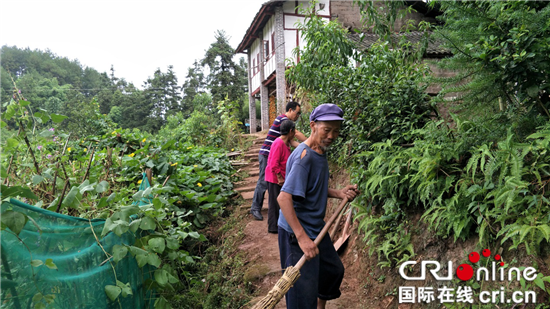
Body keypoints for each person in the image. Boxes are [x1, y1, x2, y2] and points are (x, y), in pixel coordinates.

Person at [277, 103, 359, 309]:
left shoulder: (320, 151)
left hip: (315, 227)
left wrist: (338, 193)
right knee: (301, 295)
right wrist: (302, 238)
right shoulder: (304, 158)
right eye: (327, 130)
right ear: (313, 126)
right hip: (296, 232)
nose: (331, 136)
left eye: (336, 131)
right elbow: (283, 198)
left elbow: (311, 188)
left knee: (332, 270)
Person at [250, 101, 307, 221]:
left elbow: (292, 142)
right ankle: (255, 208)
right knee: (263, 181)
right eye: (297, 113)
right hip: (267, 154)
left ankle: (274, 211)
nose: (298, 116)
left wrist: (307, 148)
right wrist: (310, 142)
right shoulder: (283, 120)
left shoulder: (286, 126)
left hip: (272, 154)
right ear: (290, 110)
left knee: (269, 183)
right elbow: (296, 134)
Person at [264, 119, 296, 233]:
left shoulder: (285, 143)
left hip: (279, 178)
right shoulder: (278, 143)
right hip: (274, 178)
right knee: (274, 202)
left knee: (279, 202)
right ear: (291, 131)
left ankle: (278, 224)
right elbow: (273, 163)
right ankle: (273, 227)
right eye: (294, 131)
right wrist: (280, 177)